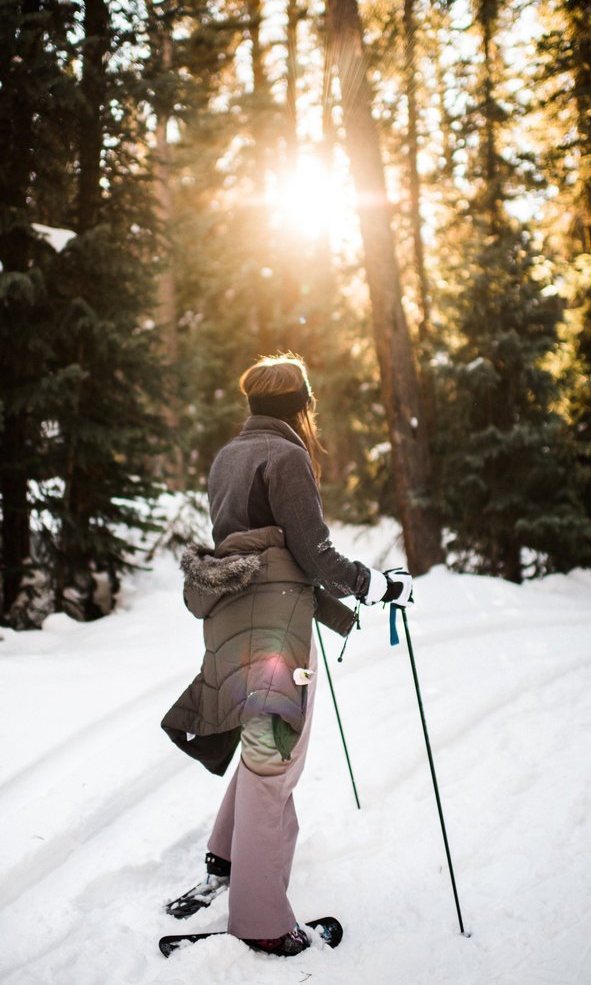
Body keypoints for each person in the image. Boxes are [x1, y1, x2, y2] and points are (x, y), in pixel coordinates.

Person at [161, 353, 410, 956]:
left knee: (259, 738)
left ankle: (225, 859)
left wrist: (334, 603)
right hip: (273, 628)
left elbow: (260, 547)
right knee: (275, 758)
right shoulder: (288, 456)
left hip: (230, 619)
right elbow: (313, 551)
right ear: (301, 405)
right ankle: (263, 921)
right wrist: (374, 586)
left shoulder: (227, 456)